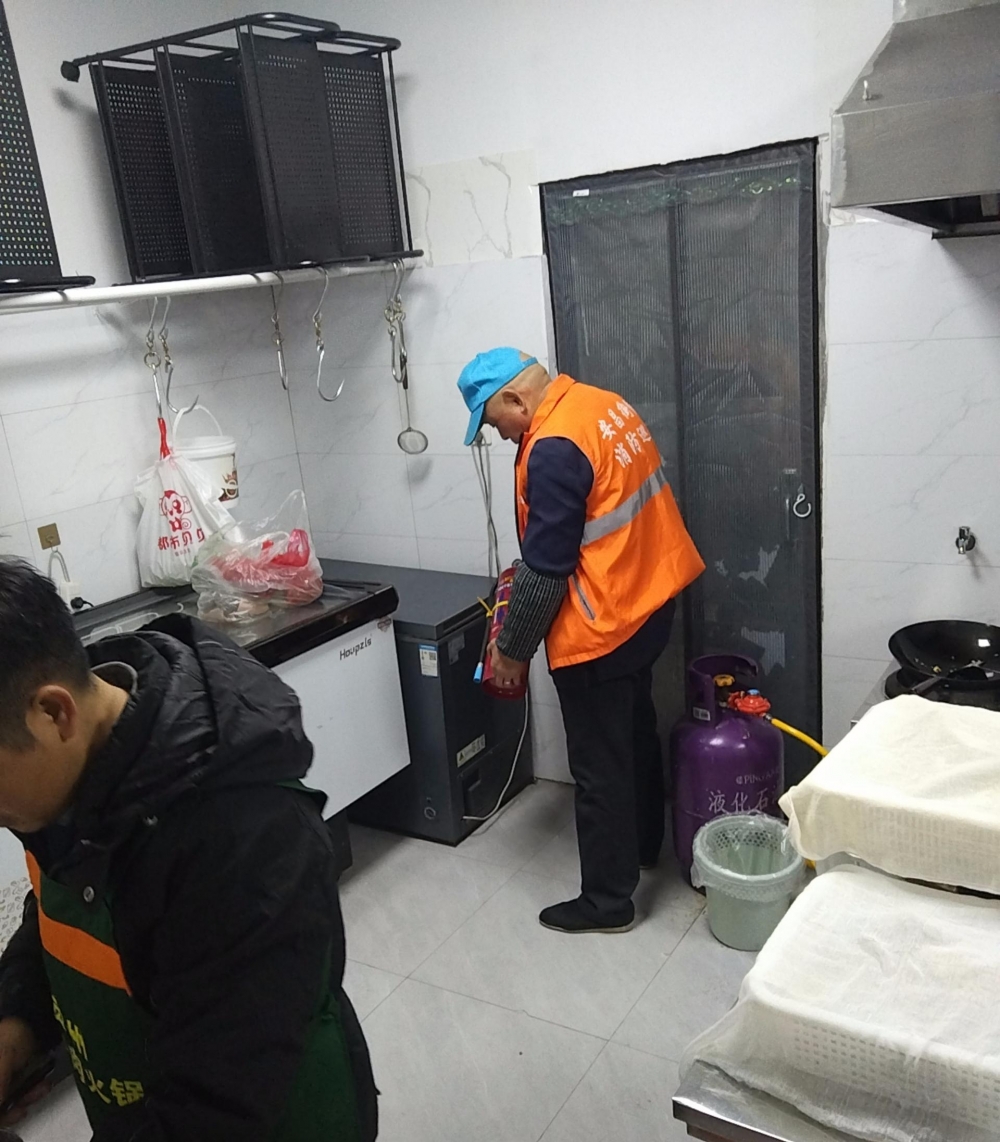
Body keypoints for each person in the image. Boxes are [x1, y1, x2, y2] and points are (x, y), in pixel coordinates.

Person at [0, 560, 377, 1141]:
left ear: (54, 713)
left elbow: (213, 1110)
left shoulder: (242, 837)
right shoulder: (65, 791)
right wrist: (15, 1021)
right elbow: (55, 914)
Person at [458, 348, 704, 934]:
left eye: (493, 422)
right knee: (634, 733)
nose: (499, 436)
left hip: (602, 628)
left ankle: (608, 901)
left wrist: (511, 652)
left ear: (515, 399)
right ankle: (642, 846)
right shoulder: (600, 405)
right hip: (647, 603)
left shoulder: (552, 449)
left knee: (599, 766)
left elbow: (546, 571)